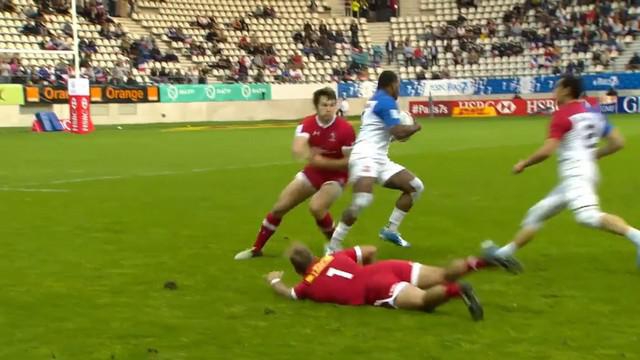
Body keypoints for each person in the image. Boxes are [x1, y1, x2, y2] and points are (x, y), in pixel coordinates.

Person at [483, 75, 640, 271]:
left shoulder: (562, 115)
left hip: (575, 173)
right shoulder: (594, 111)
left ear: (566, 90)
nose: (554, 92)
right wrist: (592, 155)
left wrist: (524, 163)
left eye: (557, 87)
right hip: (585, 171)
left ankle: (637, 237)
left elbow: (547, 151)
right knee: (537, 213)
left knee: (587, 216)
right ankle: (503, 254)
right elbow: (618, 142)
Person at [235, 87, 356, 260]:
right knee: (279, 208)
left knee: (317, 207)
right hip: (313, 172)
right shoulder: (306, 123)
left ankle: (335, 247)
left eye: (331, 104)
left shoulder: (345, 129)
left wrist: (325, 162)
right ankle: (256, 248)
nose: (329, 108)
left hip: (337, 175)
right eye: (324, 105)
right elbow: (297, 148)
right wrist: (310, 155)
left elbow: (351, 161)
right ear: (316, 106)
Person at [325, 71, 422, 254]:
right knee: (362, 200)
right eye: (398, 85)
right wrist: (415, 127)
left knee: (415, 186)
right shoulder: (385, 101)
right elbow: (398, 132)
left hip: (380, 158)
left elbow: (384, 133)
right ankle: (332, 247)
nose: (398, 89)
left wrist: (400, 132)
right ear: (391, 85)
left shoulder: (376, 101)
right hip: (365, 156)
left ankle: (390, 230)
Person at [264, 244, 487, 320]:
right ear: (313, 256)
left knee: (423, 302)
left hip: (376, 288)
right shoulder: (334, 256)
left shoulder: (307, 285)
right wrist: (369, 269)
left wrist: (274, 281)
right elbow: (370, 249)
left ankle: (457, 290)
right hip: (384, 268)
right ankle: (483, 261)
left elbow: (289, 293)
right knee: (442, 274)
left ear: (297, 269)